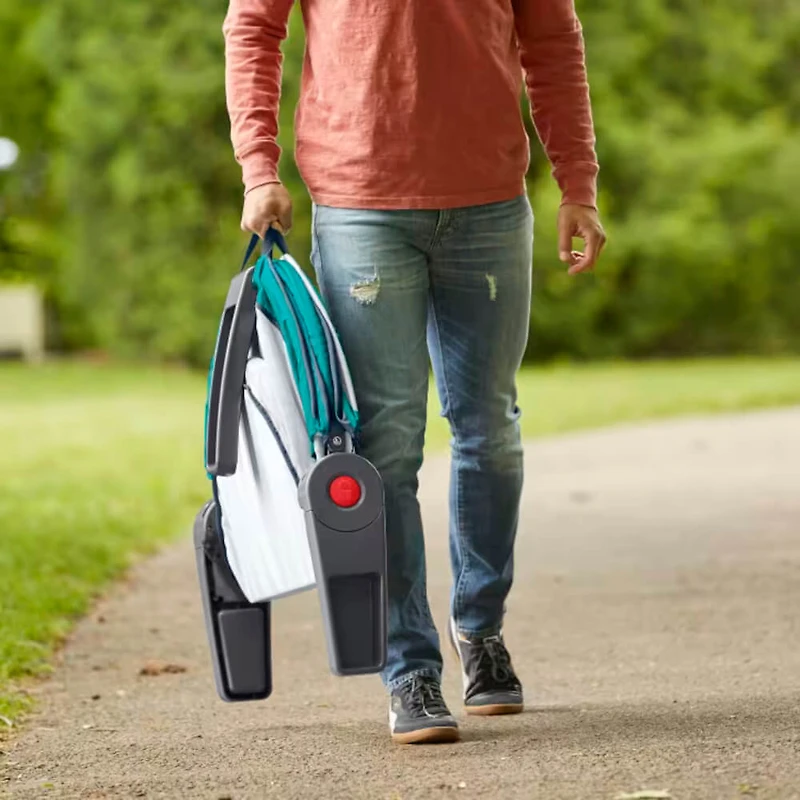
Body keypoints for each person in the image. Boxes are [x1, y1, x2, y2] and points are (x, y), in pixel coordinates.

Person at [223, 0, 606, 744]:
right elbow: (253, 29)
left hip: (491, 205)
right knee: (385, 448)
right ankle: (409, 666)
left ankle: (481, 631)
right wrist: (257, 168)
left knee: (489, 429)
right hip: (361, 203)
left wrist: (578, 184)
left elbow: (554, 41)